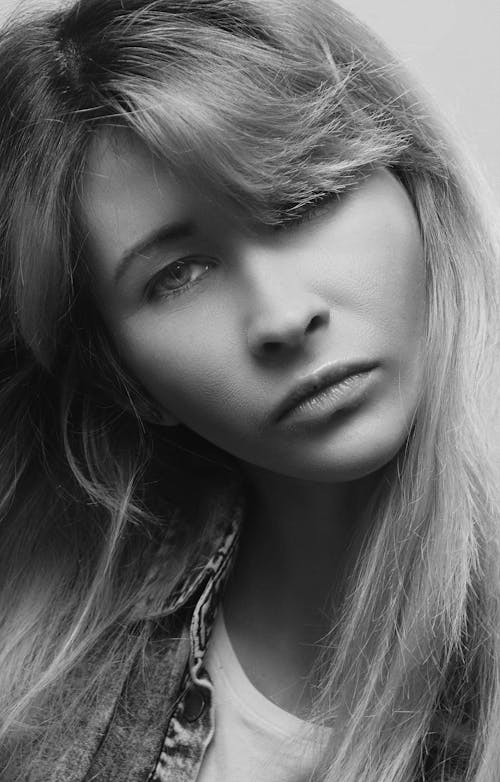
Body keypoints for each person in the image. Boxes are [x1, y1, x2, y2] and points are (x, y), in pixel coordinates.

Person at [0, 0, 498, 780]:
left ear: (415, 189)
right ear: (124, 379)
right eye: (179, 275)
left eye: (303, 199)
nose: (283, 316)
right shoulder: (36, 707)